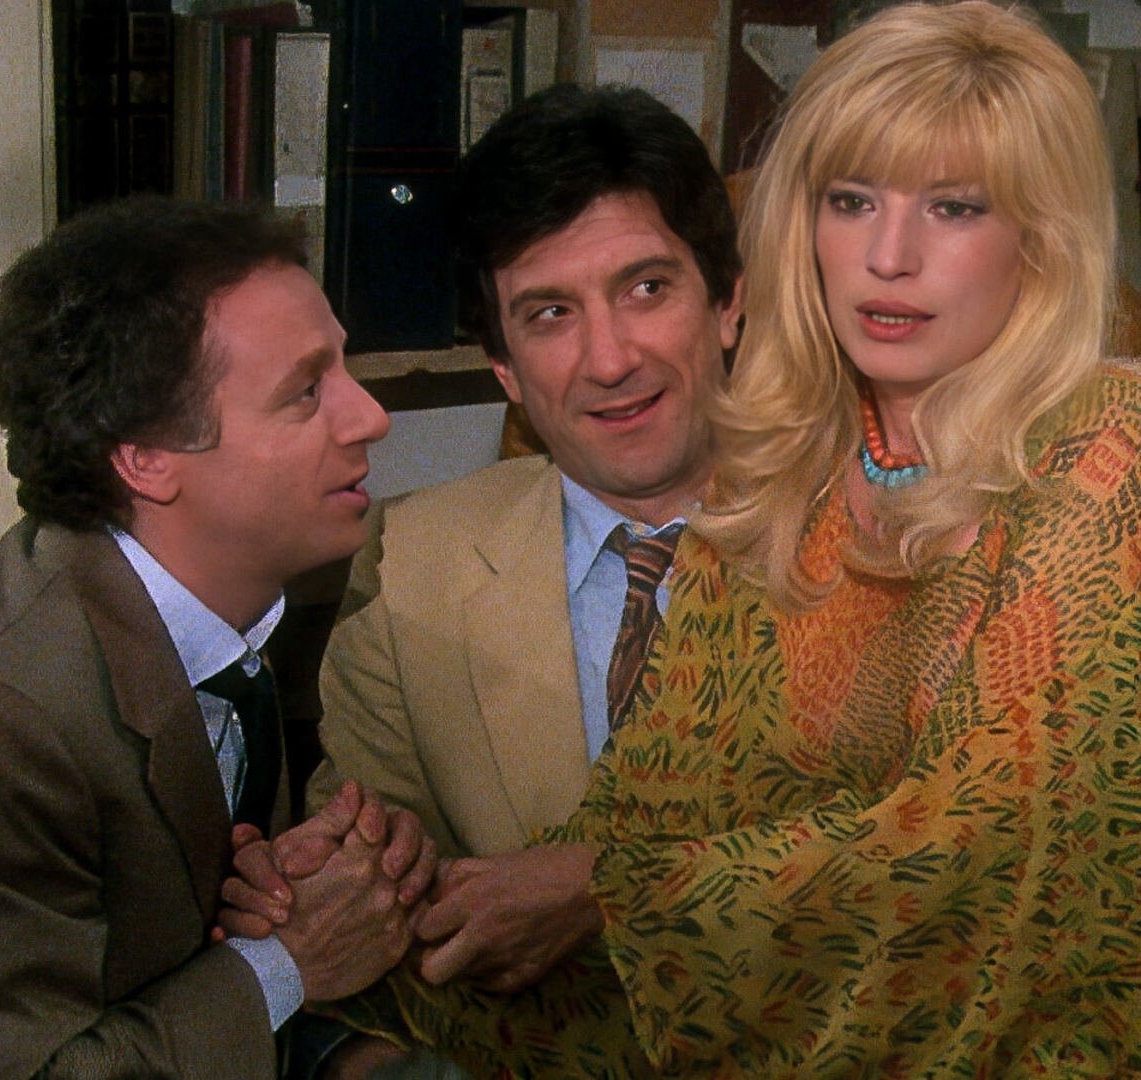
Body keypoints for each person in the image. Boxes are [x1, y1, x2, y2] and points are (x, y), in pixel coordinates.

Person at [289, 3, 1141, 1075]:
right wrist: (304, 931)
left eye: (955, 207)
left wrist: (609, 895)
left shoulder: (1111, 450)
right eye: (851, 201)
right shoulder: (796, 487)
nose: (889, 256)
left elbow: (1009, 845)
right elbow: (644, 823)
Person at [0, 195, 437, 1079]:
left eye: (344, 367)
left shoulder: (232, 612)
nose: (369, 416)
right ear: (144, 455)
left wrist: (326, 890)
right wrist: (290, 962)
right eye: (306, 391)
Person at [220, 83, 740, 1076]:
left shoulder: (886, 544)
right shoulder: (414, 559)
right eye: (550, 314)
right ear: (503, 367)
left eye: (646, 289)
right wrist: (311, 890)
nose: (610, 358)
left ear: (728, 304)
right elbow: (381, 905)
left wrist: (609, 891)